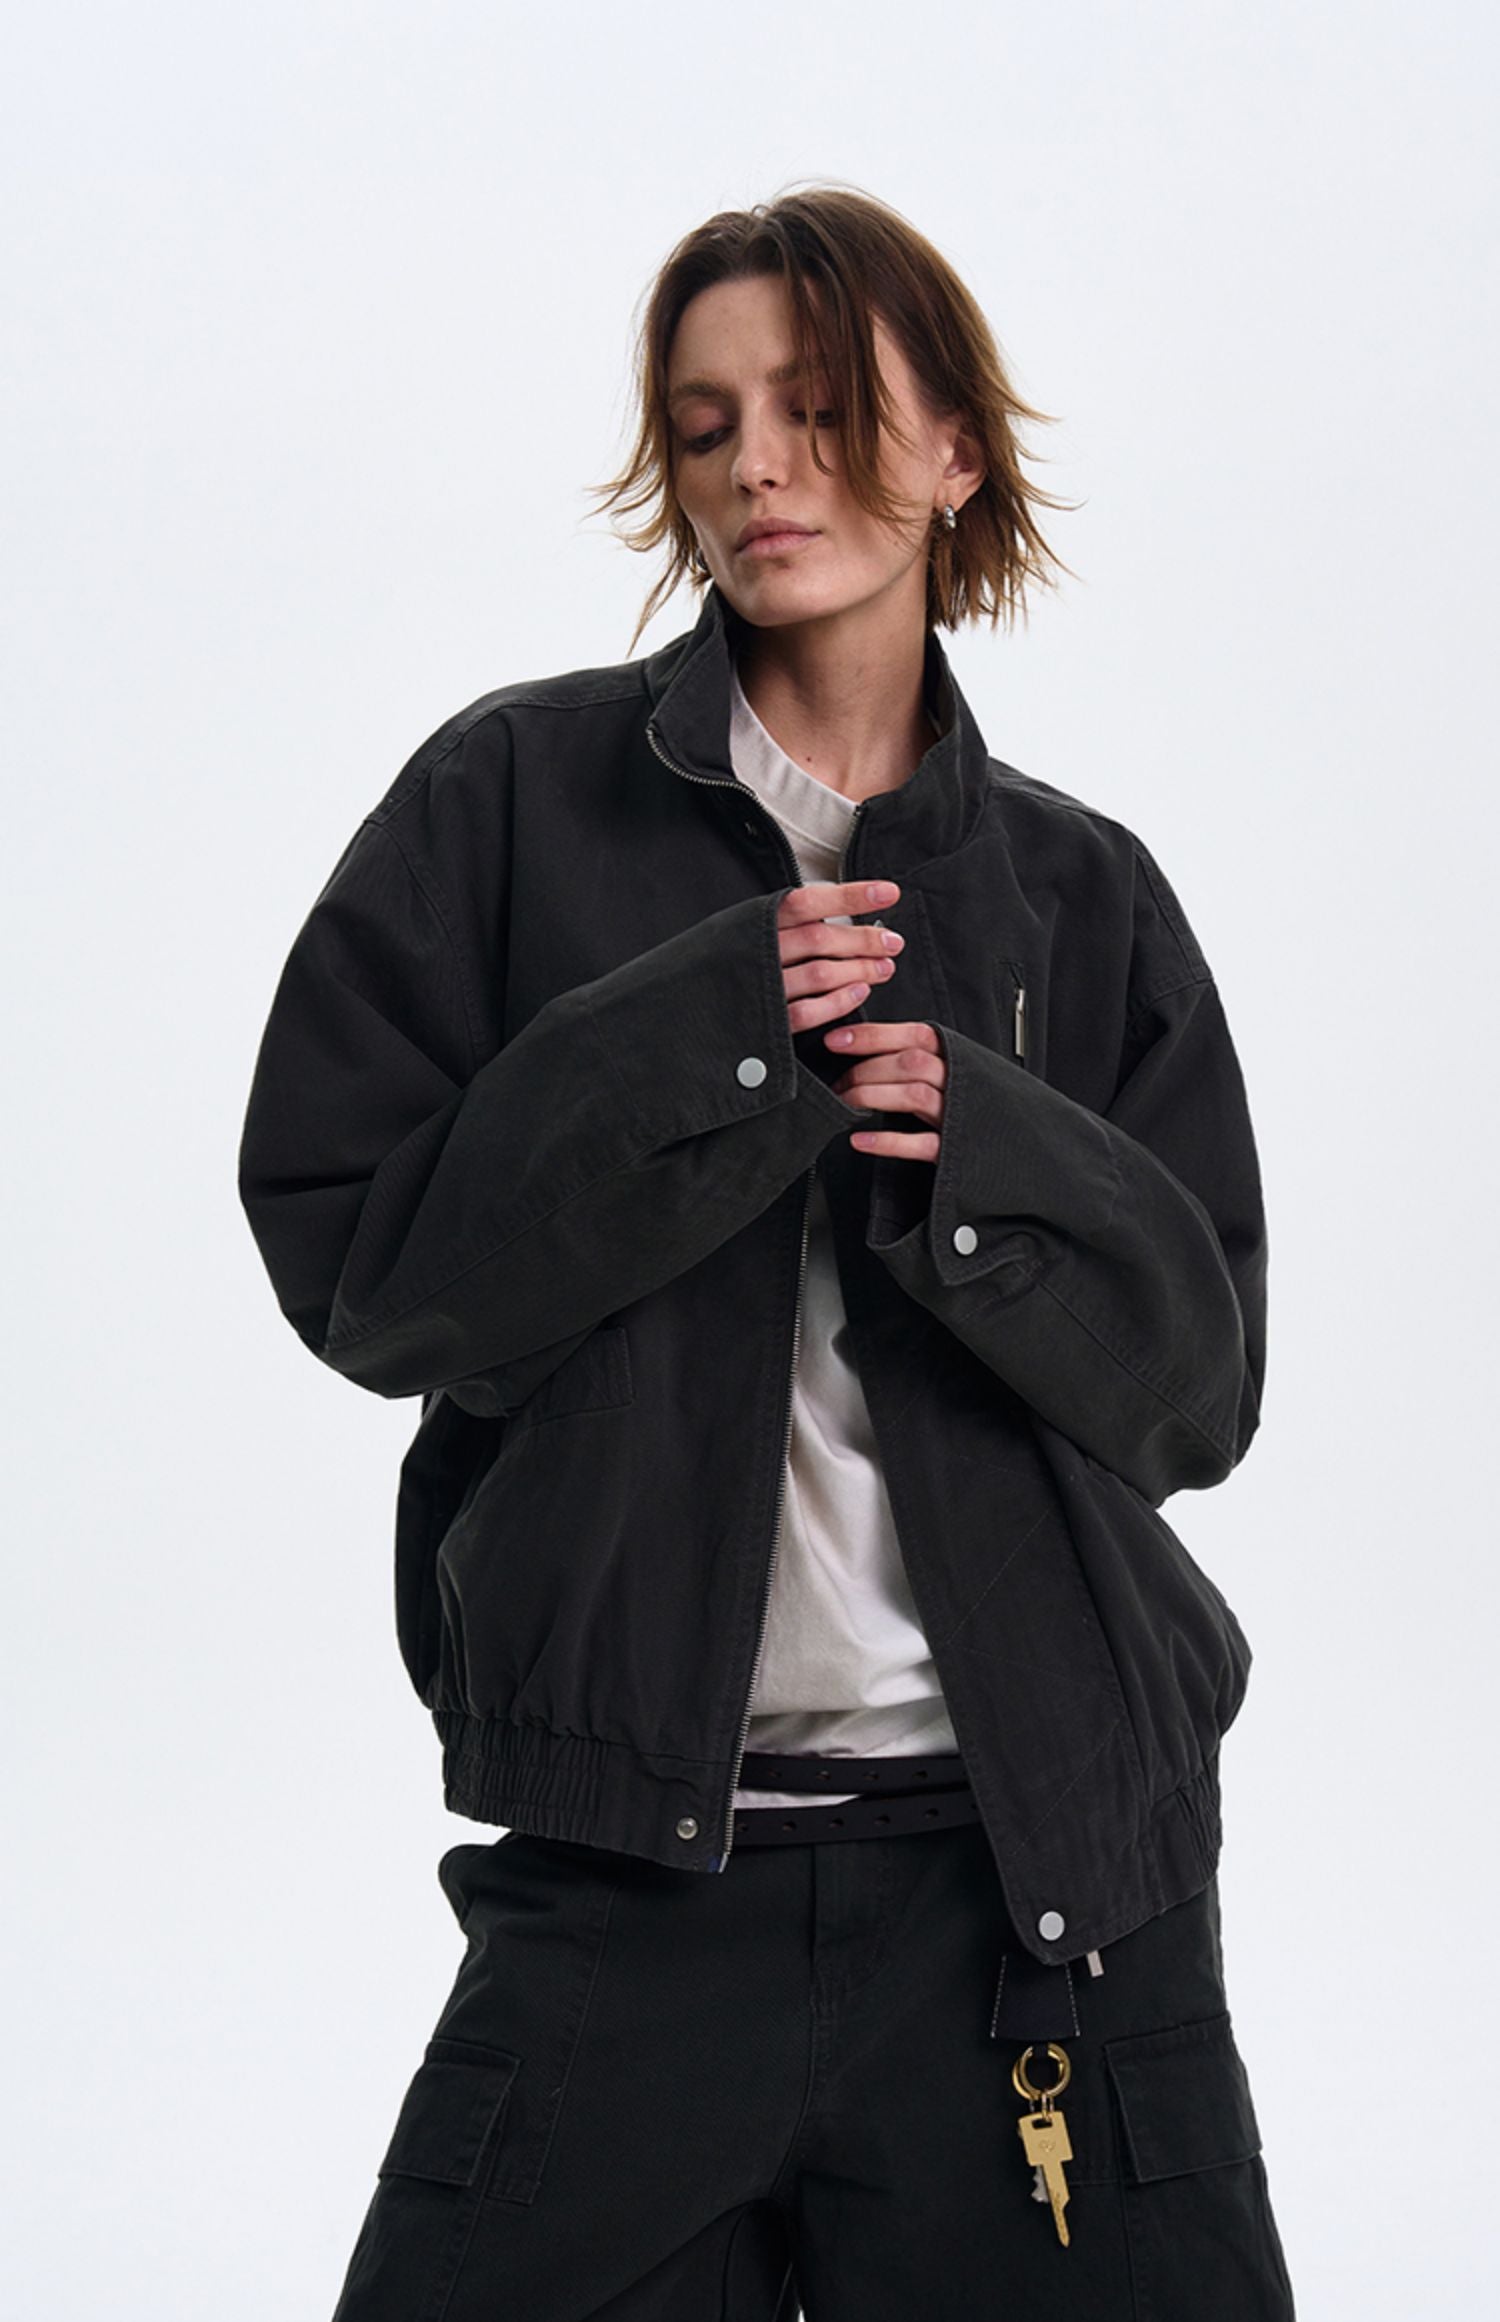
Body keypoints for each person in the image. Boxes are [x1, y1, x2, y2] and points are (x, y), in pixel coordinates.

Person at [237, 183, 1297, 2320]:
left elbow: (1198, 1397)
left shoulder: (1084, 899)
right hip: (629, 1874)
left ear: (954, 451)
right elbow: (366, 1271)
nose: (758, 469)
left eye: (819, 410)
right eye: (709, 423)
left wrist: (988, 1154)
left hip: (1045, 1895)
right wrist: (704, 1040)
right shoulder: (509, 807)